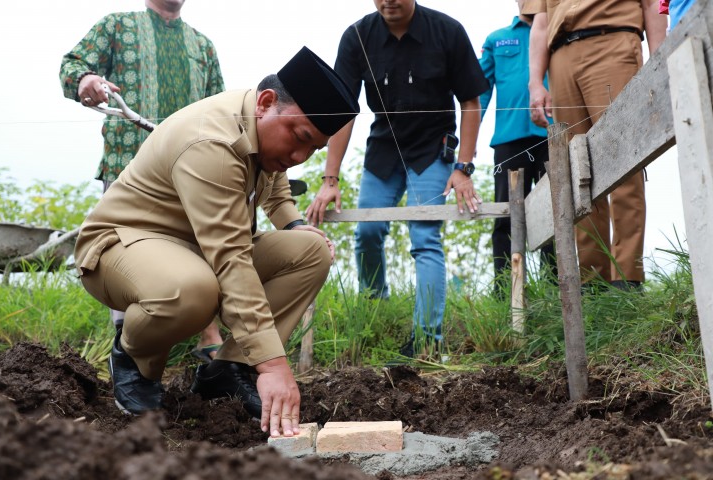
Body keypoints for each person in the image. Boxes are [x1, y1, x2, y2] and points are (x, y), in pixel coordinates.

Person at [73, 47, 359, 437]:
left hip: (197, 251)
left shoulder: (258, 124)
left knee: (310, 251)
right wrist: (274, 366)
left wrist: (293, 225)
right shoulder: (212, 141)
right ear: (267, 102)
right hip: (123, 245)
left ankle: (227, 370)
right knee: (191, 290)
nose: (299, 156)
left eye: (313, 149)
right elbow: (230, 258)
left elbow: (273, 182)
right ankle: (134, 359)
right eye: (299, 138)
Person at [305, 0, 489, 357]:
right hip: (383, 150)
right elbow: (344, 111)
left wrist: (463, 167)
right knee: (368, 231)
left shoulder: (447, 31)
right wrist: (330, 178)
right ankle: (377, 309)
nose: (388, 0)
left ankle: (427, 340)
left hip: (432, 149)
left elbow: (470, 101)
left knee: (424, 236)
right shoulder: (357, 36)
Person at [59, 0, 226, 357]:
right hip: (127, 171)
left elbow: (219, 112)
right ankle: (128, 344)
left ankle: (210, 340)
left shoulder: (203, 46)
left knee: (199, 247)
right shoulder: (117, 26)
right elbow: (73, 64)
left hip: (189, 175)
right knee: (125, 253)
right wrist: (86, 79)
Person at [527, 0, 667, 290]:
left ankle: (628, 276)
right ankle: (593, 281)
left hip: (612, 42)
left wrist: (660, 60)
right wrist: (535, 83)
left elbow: (652, 4)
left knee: (623, 160)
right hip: (560, 57)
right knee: (577, 173)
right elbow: (540, 23)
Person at [479, 0, 556, 294]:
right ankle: (504, 291)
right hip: (508, 141)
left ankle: (555, 289)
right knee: (506, 217)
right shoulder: (496, 39)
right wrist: (467, 145)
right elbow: (479, 94)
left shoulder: (555, 31)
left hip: (551, 135)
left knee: (553, 211)